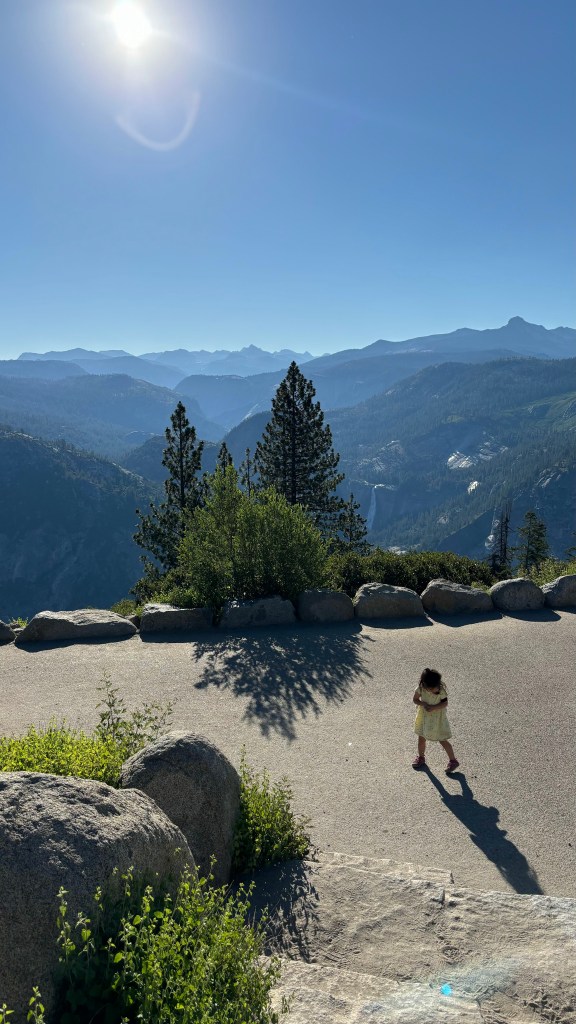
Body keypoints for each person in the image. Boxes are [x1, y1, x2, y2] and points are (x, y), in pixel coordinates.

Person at [412, 667, 459, 773]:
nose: (436, 689)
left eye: (437, 686)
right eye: (433, 688)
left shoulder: (441, 691)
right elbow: (415, 699)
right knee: (421, 737)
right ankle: (421, 757)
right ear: (426, 686)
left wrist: (434, 708)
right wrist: (422, 703)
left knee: (442, 739)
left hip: (437, 720)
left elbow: (445, 703)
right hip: (424, 718)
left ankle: (453, 761)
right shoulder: (421, 688)